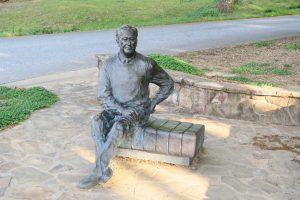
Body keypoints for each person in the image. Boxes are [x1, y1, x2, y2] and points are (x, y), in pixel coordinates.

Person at [79, 25, 174, 189]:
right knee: (96, 122)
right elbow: (103, 95)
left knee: (118, 127)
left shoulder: (146, 64)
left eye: (132, 39)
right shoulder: (108, 65)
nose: (129, 43)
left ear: (136, 40)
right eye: (125, 39)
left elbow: (168, 83)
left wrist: (152, 103)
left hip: (137, 112)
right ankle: (104, 169)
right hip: (115, 109)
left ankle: (97, 171)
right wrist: (120, 110)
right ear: (117, 41)